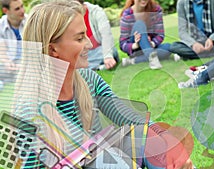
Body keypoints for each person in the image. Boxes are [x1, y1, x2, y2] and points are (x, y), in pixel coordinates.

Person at [13, 1, 193, 168]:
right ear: (53, 49)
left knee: (147, 138)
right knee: (107, 160)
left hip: (100, 157)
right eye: (80, 38)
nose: (90, 44)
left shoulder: (89, 80)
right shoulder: (28, 112)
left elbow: (130, 117)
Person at [119, 0, 171, 69]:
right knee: (139, 24)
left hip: (151, 46)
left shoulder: (155, 10)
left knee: (168, 48)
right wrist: (136, 45)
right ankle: (153, 59)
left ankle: (133, 61)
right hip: (136, 50)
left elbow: (160, 35)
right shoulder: (127, 14)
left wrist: (152, 43)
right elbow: (122, 44)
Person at [74, 0, 119, 70]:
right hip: (83, 54)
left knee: (111, 50)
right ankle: (98, 67)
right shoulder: (68, 17)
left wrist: (108, 56)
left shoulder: (96, 12)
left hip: (99, 51)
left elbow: (106, 34)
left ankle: (82, 68)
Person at [0, 0, 26, 90]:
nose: (22, 10)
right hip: (10, 64)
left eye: (22, 6)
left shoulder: (30, 21)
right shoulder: (1, 25)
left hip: (26, 64)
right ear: (5, 11)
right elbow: (1, 50)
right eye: (17, 9)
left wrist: (23, 65)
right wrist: (7, 62)